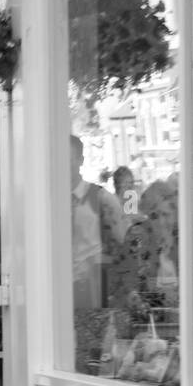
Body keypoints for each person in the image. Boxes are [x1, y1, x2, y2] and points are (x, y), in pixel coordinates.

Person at [72, 135, 127, 373]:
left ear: (80, 160)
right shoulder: (47, 200)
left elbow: (124, 240)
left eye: (69, 159)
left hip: (94, 285)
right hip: (59, 289)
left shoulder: (100, 197)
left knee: (91, 353)